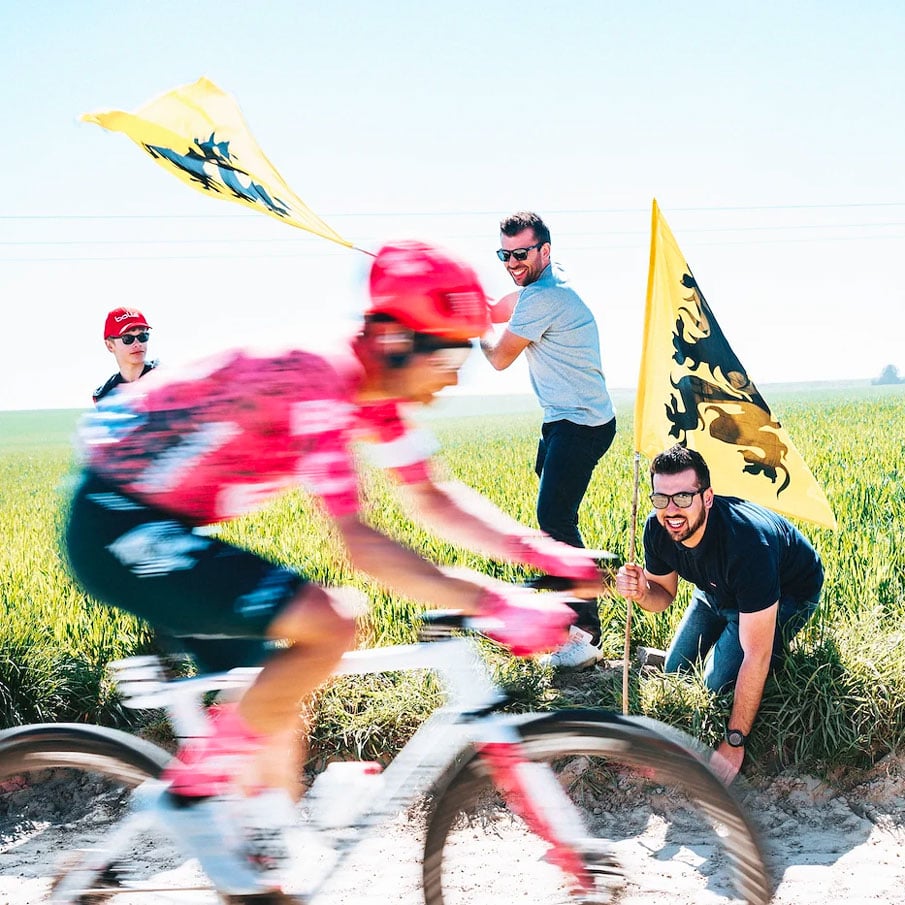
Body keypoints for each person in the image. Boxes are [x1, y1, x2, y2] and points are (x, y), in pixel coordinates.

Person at [64, 241, 605, 888]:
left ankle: (253, 872)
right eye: (452, 352)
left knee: (276, 710)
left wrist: (537, 551)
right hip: (115, 522)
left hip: (164, 521)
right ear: (397, 339)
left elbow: (432, 497)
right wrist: (492, 601)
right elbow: (361, 544)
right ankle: (190, 799)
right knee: (331, 619)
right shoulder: (316, 381)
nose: (456, 376)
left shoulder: (373, 389)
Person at [615, 444, 823, 783]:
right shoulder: (658, 528)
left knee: (713, 688)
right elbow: (663, 596)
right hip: (714, 589)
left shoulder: (748, 545)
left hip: (787, 593)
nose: (671, 510)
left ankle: (780, 662)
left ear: (707, 497)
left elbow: (756, 655)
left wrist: (734, 741)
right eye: (661, 499)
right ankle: (712, 646)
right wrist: (640, 593)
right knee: (674, 674)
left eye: (683, 497)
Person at [479, 211, 617, 669]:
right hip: (569, 420)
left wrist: (471, 323)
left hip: (578, 423)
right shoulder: (547, 286)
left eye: (521, 253)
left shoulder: (542, 298)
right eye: (505, 254)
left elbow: (499, 358)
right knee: (555, 523)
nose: (513, 262)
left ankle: (586, 634)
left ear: (545, 250)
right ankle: (569, 620)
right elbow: (505, 305)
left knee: (555, 520)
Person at [93, 307, 158, 405]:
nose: (138, 343)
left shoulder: (166, 378)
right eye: (127, 338)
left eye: (142, 336)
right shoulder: (104, 396)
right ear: (110, 346)